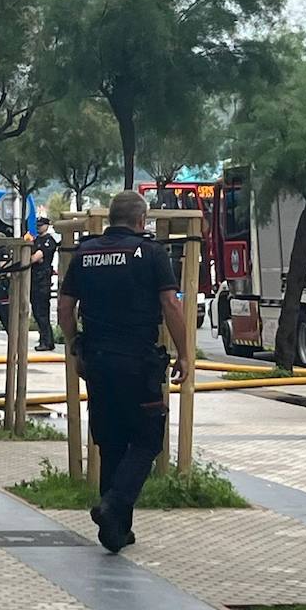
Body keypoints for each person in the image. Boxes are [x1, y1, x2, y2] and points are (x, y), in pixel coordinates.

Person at [58, 191, 190, 553]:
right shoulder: (151, 254)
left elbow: (65, 306)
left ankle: (116, 530)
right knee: (148, 438)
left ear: (110, 218)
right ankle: (114, 506)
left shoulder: (85, 254)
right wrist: (185, 353)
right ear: (140, 220)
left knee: (112, 439)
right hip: (138, 361)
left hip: (97, 360)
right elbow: (170, 305)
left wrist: (74, 345)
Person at [31, 216, 58, 351]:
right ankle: (44, 339)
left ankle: (47, 341)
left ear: (48, 225)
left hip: (42, 280)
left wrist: (34, 258)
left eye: (42, 225)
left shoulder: (49, 241)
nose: (39, 227)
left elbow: (36, 257)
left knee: (42, 313)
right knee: (37, 312)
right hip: (35, 280)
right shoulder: (36, 240)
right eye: (38, 225)